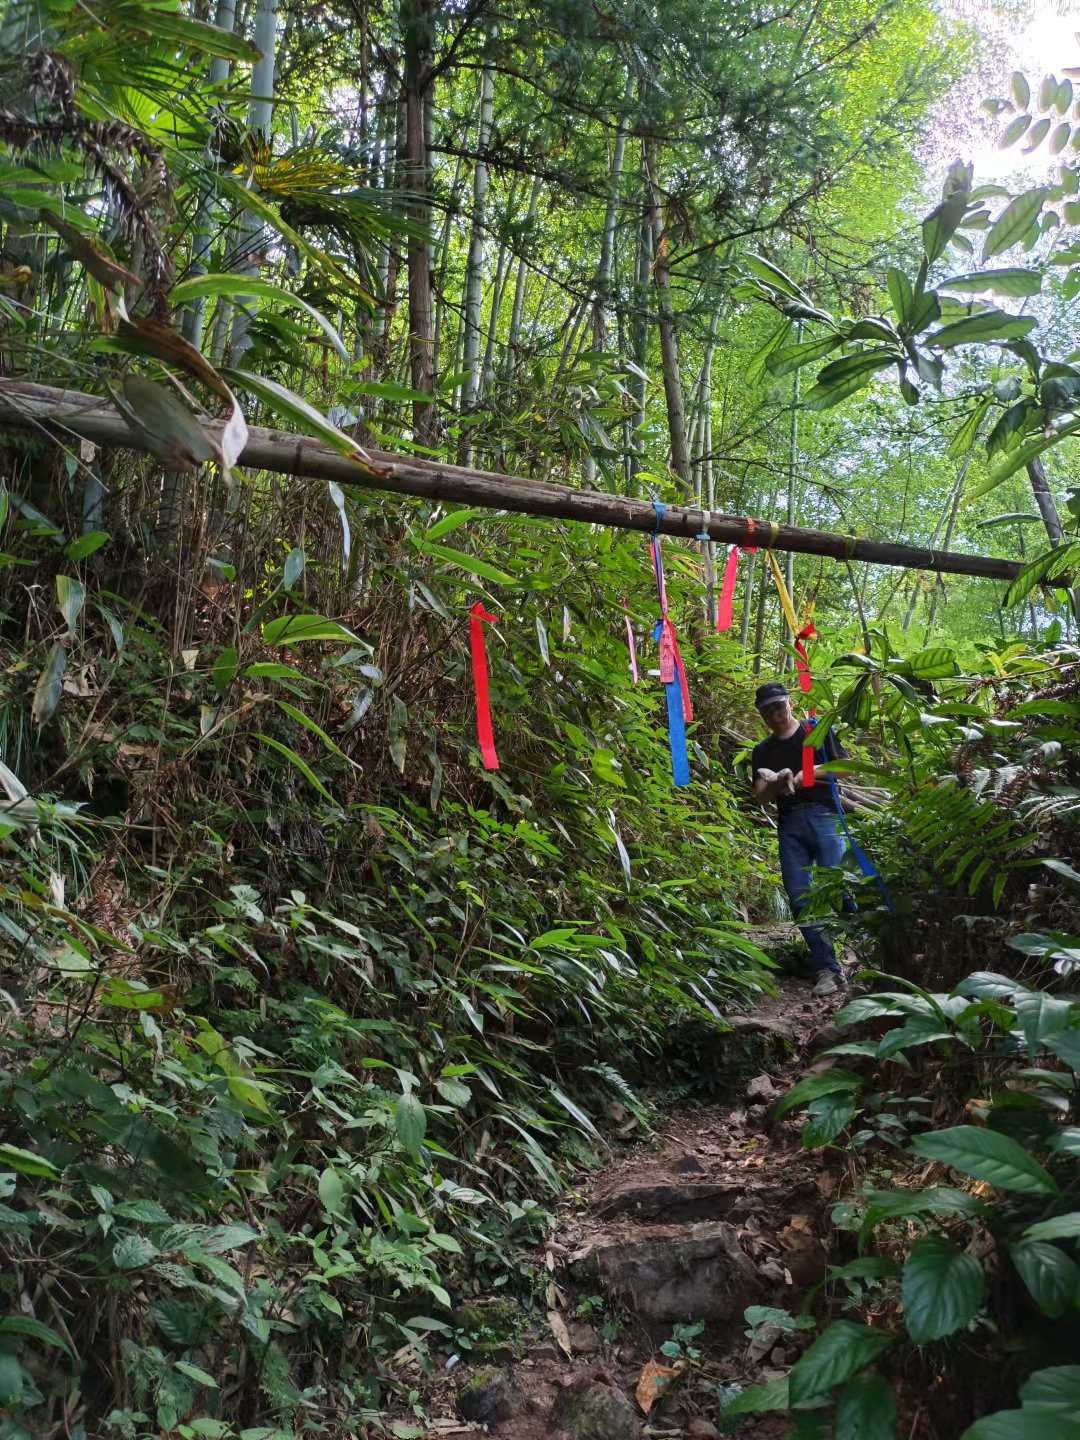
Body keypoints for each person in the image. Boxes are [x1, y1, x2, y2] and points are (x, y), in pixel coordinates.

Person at [750, 681, 848, 997]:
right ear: (761, 715)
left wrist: (808, 773)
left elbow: (845, 769)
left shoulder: (814, 731)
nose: (775, 714)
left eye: (779, 706)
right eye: (768, 710)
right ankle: (827, 969)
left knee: (837, 884)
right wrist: (777, 781)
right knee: (800, 896)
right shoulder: (763, 750)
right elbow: (760, 797)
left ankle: (868, 949)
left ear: (790, 703)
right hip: (790, 822)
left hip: (824, 814)